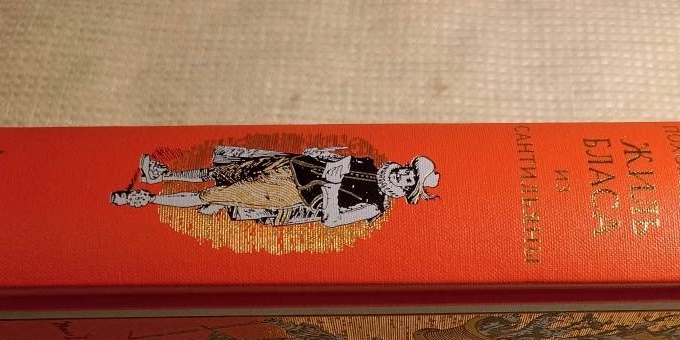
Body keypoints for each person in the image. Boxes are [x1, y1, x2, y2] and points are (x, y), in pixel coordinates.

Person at [110, 144, 438, 228]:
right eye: (409, 171)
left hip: (288, 193)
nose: (405, 176)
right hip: (289, 165)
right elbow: (331, 163)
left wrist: (332, 186)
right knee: (219, 172)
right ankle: (162, 176)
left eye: (410, 181)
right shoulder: (369, 164)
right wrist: (321, 156)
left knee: (212, 195)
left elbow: (332, 220)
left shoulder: (375, 206)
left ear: (406, 192)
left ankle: (147, 199)